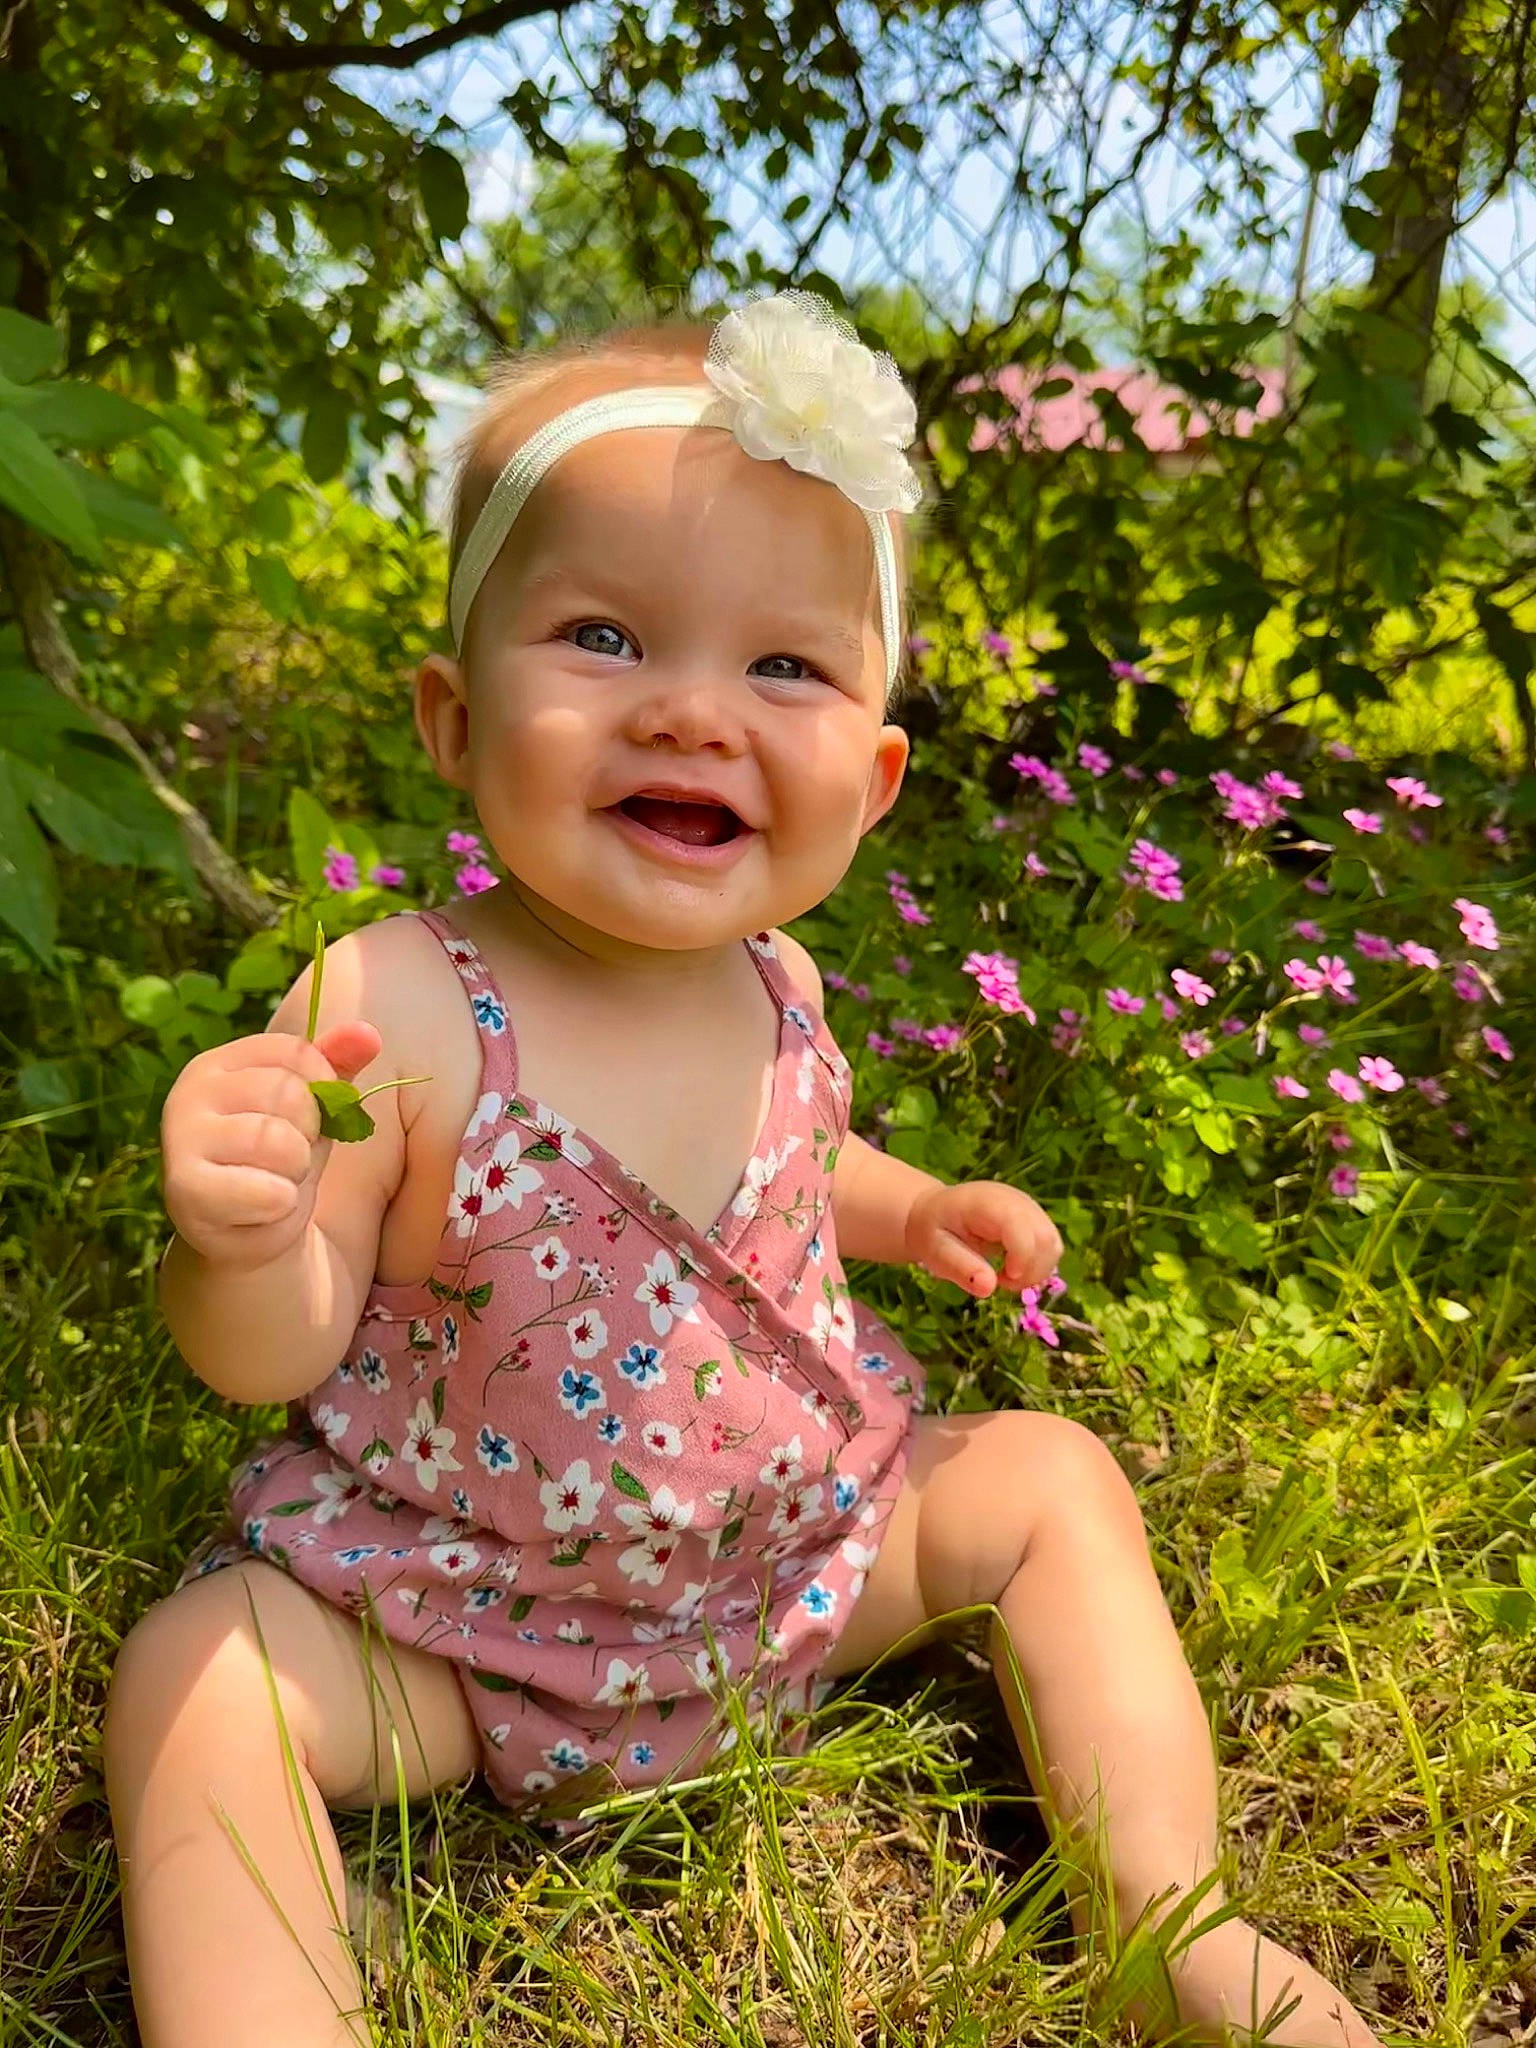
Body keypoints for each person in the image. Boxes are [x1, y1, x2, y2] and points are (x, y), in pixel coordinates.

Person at [103, 292, 1383, 2048]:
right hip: (463, 1635)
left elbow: (790, 1165)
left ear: (870, 779)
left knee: (1053, 1480)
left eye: (784, 666)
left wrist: (910, 1206)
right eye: (608, 635)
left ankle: (1172, 1916)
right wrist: (242, 1235)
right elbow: (278, 1346)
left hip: (795, 1574)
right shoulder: (394, 1002)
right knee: (200, 1672)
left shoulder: (780, 979)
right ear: (452, 717)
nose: (697, 714)